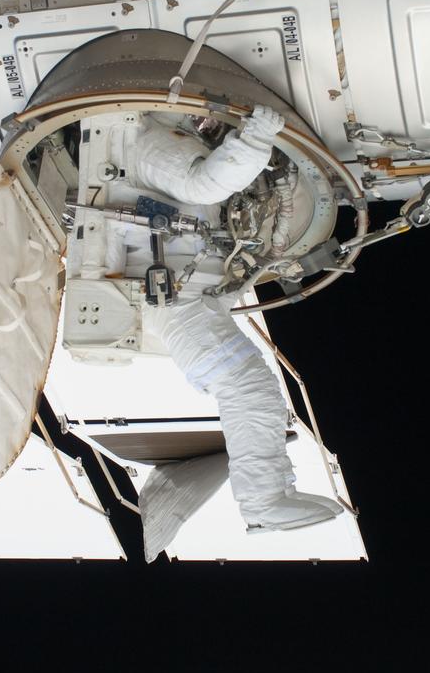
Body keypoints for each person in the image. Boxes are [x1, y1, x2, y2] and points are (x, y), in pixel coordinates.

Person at [95, 104, 344, 532]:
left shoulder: (150, 145)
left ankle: (266, 501)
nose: (207, 125)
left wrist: (254, 141)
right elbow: (204, 182)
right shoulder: (153, 146)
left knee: (250, 392)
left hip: (186, 307)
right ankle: (267, 500)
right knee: (251, 392)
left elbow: (204, 182)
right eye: (203, 120)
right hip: (185, 308)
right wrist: (253, 140)